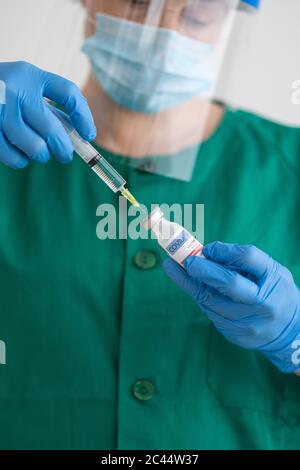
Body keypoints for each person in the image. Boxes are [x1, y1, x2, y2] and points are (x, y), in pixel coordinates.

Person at [0, 0, 300, 450]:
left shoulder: (287, 170)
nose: (164, 33)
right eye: (141, 3)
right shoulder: (10, 150)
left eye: (197, 15)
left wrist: (295, 341)